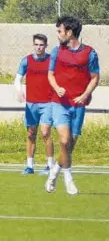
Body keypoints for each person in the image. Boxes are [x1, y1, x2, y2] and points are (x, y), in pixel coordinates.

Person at [45, 16, 99, 195]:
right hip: (59, 103)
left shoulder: (90, 53)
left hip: (78, 105)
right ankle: (68, 178)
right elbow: (50, 75)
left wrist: (84, 95)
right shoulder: (56, 52)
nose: (58, 35)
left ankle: (55, 171)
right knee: (64, 140)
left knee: (69, 147)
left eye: (60, 31)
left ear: (70, 32)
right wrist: (56, 87)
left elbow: (94, 78)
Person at [14, 34, 54, 175]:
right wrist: (19, 91)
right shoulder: (27, 61)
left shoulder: (51, 61)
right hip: (31, 104)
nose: (39, 47)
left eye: (41, 45)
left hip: (48, 103)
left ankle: (50, 165)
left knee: (45, 132)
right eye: (36, 44)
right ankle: (29, 166)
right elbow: (17, 79)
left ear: (46, 46)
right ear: (33, 45)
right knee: (31, 134)